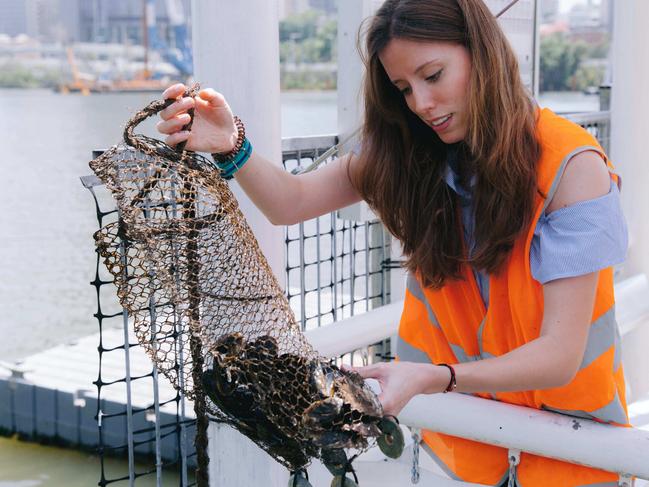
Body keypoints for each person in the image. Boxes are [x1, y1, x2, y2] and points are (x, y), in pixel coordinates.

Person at [156, 0, 629, 485]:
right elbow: (290, 202)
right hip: (467, 450)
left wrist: (436, 377)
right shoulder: (412, 157)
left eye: (434, 75)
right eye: (404, 88)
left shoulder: (573, 167)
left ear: (482, 54)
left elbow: (560, 356)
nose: (421, 104)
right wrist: (231, 145)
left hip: (575, 449)